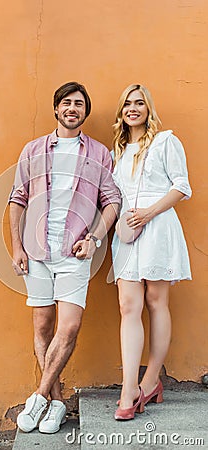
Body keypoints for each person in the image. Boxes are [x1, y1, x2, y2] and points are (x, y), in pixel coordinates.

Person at [9, 81, 121, 433]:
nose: (73, 108)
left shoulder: (100, 154)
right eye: (67, 103)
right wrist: (16, 246)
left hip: (75, 252)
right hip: (37, 251)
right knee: (43, 326)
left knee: (69, 326)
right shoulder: (33, 150)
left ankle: (39, 397)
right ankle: (57, 403)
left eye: (79, 104)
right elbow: (18, 198)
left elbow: (112, 200)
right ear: (56, 109)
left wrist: (95, 239)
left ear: (85, 112)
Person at [111, 84, 192, 420]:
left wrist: (148, 213)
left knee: (157, 302)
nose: (133, 108)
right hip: (128, 234)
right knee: (128, 305)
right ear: (121, 112)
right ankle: (129, 387)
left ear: (148, 109)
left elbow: (181, 186)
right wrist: (118, 224)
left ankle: (151, 380)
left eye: (139, 103)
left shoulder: (165, 141)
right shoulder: (116, 151)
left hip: (157, 228)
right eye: (127, 104)